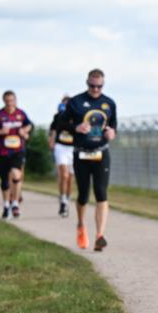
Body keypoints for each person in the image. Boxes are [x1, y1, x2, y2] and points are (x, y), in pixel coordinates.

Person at [63, 69, 117, 251]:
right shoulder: (76, 102)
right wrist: (75, 127)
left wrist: (112, 132)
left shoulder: (109, 103)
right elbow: (61, 123)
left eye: (99, 86)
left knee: (101, 193)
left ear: (103, 84)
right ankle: (80, 225)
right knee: (84, 195)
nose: (95, 89)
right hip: (81, 153)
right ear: (87, 83)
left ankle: (99, 236)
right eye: (92, 86)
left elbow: (113, 125)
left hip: (101, 153)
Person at [0, 91, 32, 219]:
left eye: (12, 100)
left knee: (16, 174)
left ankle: (15, 203)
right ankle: (6, 205)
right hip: (2, 152)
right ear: (3, 101)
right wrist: (0, 131)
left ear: (15, 100)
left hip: (17, 150)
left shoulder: (21, 114)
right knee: (5, 180)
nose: (10, 103)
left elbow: (29, 125)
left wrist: (24, 130)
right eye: (7, 101)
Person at [48, 95, 75, 217]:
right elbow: (53, 129)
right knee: (63, 175)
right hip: (61, 147)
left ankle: (67, 199)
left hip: (73, 148)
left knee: (70, 178)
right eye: (64, 104)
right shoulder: (58, 117)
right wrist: (52, 141)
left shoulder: (77, 117)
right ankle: (63, 201)